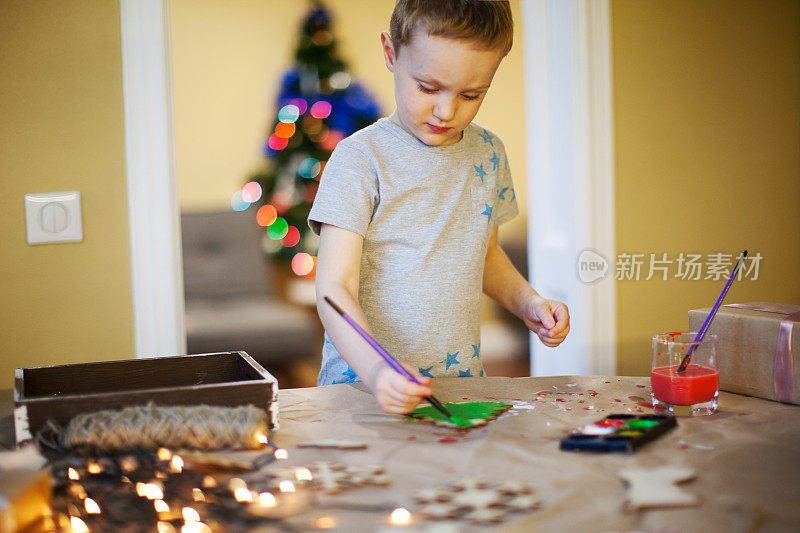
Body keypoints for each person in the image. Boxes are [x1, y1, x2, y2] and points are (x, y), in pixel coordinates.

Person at [308, 0, 569, 415]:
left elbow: (483, 255)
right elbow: (333, 288)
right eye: (428, 88)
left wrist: (528, 302)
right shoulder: (360, 159)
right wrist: (378, 372)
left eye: (471, 94)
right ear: (391, 54)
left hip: (459, 386)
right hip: (363, 389)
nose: (447, 111)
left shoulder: (488, 154)